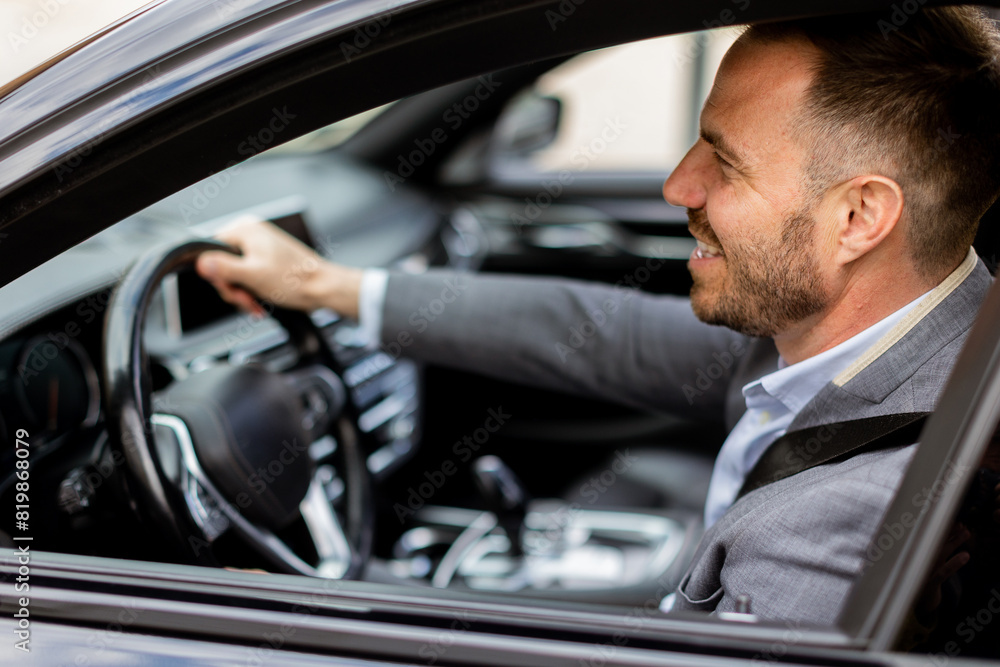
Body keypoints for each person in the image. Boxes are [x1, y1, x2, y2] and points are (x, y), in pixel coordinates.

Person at [195, 7, 1000, 625]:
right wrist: (324, 284)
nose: (678, 186)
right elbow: (603, 334)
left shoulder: (823, 539)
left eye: (724, 160)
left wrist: (300, 627)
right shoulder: (901, 335)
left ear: (860, 217)